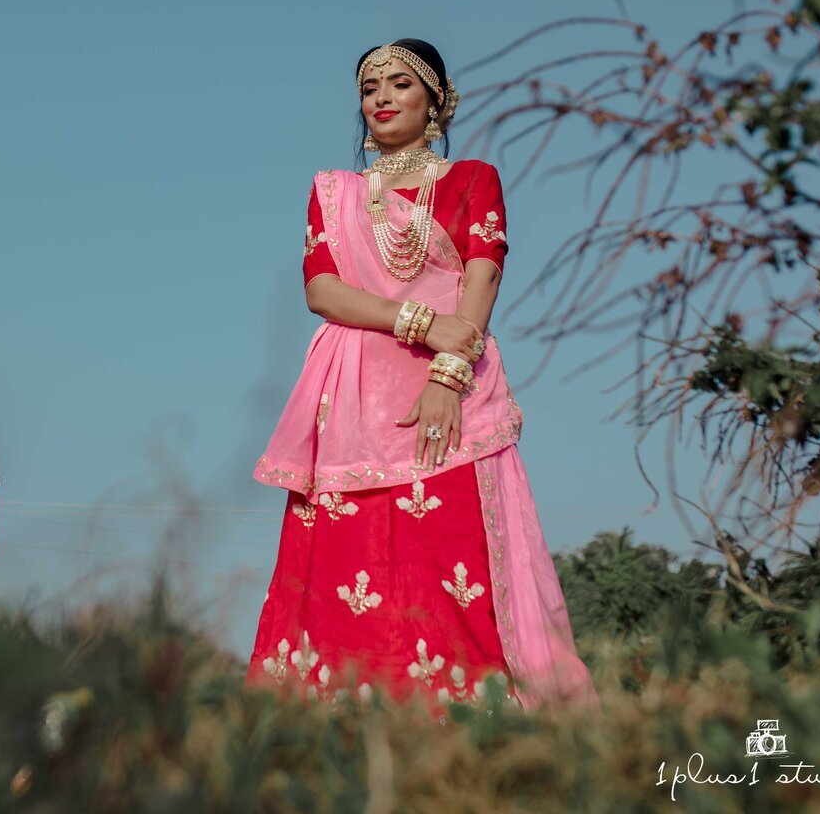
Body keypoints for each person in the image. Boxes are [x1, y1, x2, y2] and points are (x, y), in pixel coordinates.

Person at [247, 39, 598, 712]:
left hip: (447, 397)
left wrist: (447, 372)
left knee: (450, 566)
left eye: (400, 83)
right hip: (350, 407)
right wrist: (417, 320)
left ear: (436, 102)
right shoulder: (335, 193)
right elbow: (322, 289)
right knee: (347, 571)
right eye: (369, 86)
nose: (380, 97)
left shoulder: (472, 179)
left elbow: (482, 273)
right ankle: (341, 728)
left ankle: (473, 725)